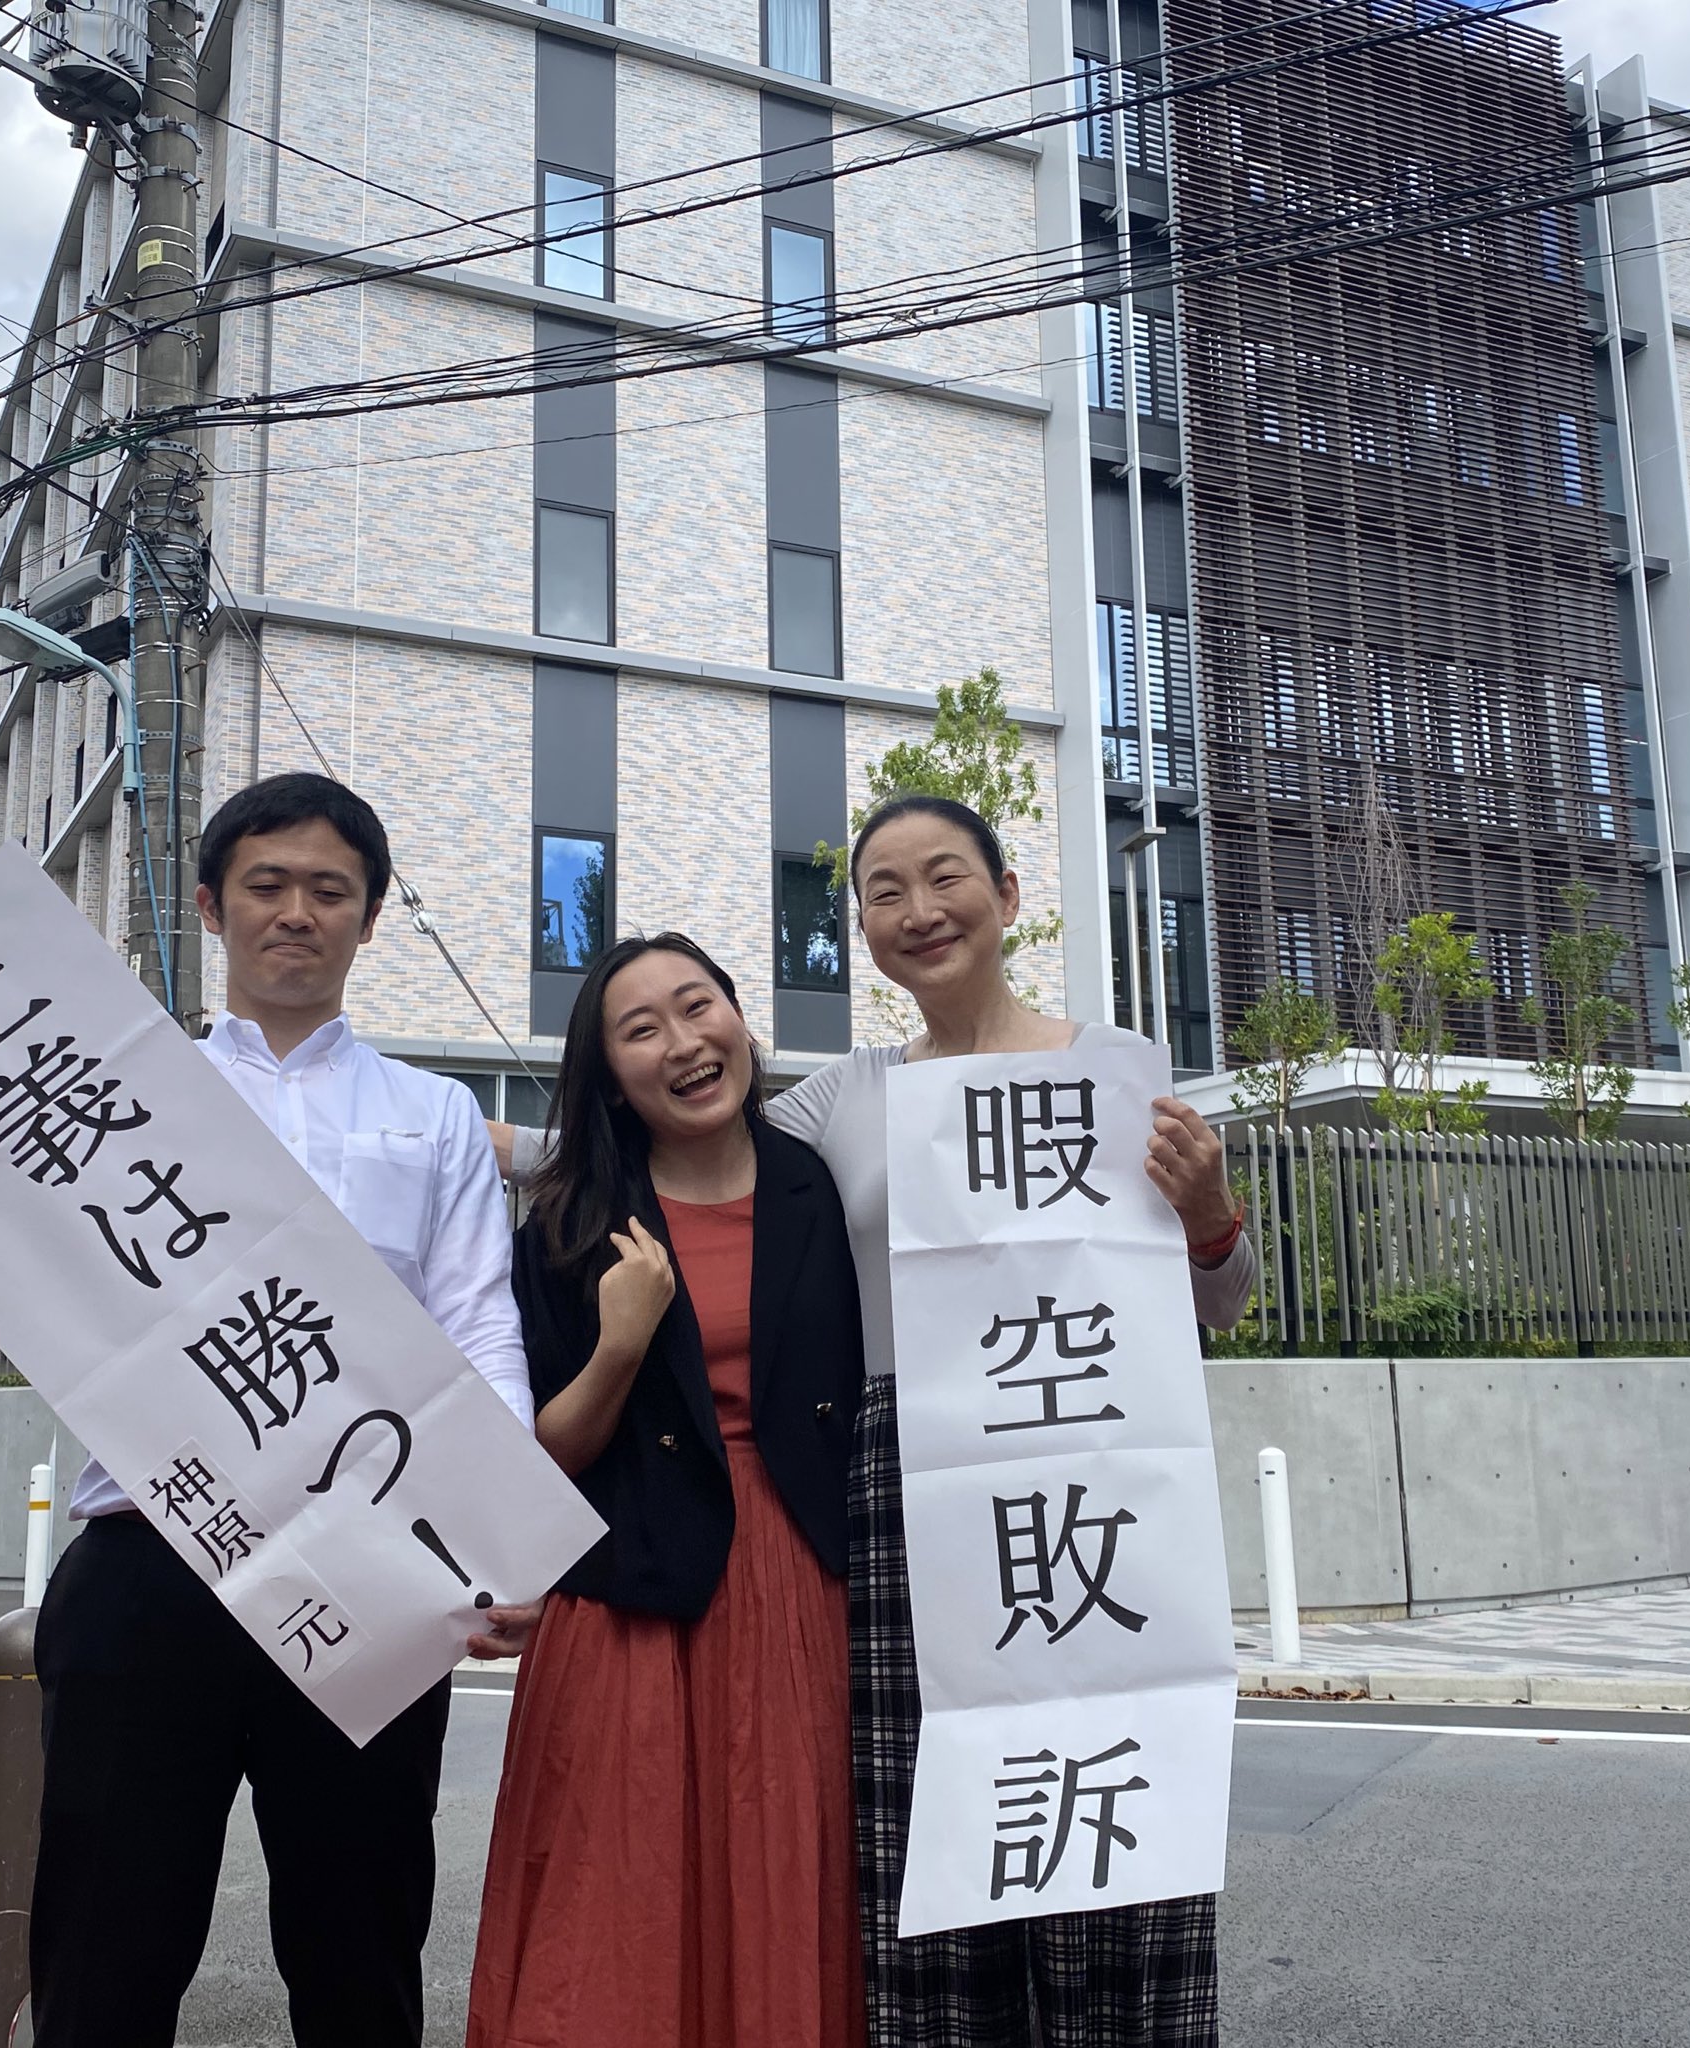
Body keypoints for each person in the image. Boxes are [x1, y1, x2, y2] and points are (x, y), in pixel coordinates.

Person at [493, 795, 1256, 2048]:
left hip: (1089, 1473)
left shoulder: (1112, 1071)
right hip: (904, 1491)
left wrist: (1211, 1213)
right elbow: (676, 1145)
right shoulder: (844, 1100)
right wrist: (465, 1140)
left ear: (1006, 894)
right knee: (938, 1838)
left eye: (944, 876)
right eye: (883, 892)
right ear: (861, 930)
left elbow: (1212, 1303)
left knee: (1103, 1820)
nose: (918, 910)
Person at [0, 772, 541, 2048]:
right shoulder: (102, 1085)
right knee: (105, 1945)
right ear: (211, 905)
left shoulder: (431, 1114)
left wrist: (504, 1540)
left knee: (361, 1945)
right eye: (267, 884)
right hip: (148, 1555)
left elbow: (479, 1321)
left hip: (366, 1567)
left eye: (330, 890)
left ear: (370, 917)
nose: (297, 912)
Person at [466, 933, 867, 2048]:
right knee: (612, 1907)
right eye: (640, 1029)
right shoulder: (566, 1224)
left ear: (740, 1018)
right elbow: (541, 1455)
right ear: (610, 1075)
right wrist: (619, 1343)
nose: (683, 1043)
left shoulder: (823, 1188)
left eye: (698, 1007)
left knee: (785, 1886)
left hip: (799, 1584)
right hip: (628, 1595)